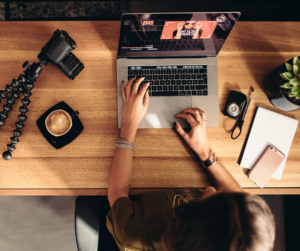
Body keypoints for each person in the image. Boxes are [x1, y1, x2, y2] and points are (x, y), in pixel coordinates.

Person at [107, 77, 275, 251]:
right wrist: (206, 154)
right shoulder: (252, 236)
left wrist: (129, 124)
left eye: (205, 200)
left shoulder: (133, 235)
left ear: (186, 225)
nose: (209, 189)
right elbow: (236, 196)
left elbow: (117, 191)